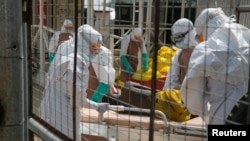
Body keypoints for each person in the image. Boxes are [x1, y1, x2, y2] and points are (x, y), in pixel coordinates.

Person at [180, 7, 250, 125]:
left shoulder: (204, 50)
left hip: (223, 118)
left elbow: (193, 99)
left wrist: (206, 112)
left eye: (201, 37)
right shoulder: (247, 36)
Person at [39, 24, 110, 141]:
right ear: (85, 43)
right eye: (94, 48)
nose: (95, 53)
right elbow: (78, 100)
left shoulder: (64, 48)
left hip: (47, 107)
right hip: (62, 117)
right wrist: (96, 106)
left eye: (97, 49)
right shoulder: (77, 63)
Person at [163, 18, 198, 90]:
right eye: (174, 38)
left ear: (189, 34)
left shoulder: (201, 53)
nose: (177, 42)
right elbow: (171, 80)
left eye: (178, 38)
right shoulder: (178, 55)